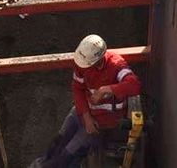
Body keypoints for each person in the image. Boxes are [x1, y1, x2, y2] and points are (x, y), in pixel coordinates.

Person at [30, 34, 141, 167]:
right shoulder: (82, 64)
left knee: (68, 154)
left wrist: (106, 90)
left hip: (102, 123)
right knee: (58, 142)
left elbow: (134, 85)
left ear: (98, 61)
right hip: (83, 112)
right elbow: (78, 89)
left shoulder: (116, 65)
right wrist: (86, 117)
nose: (83, 68)